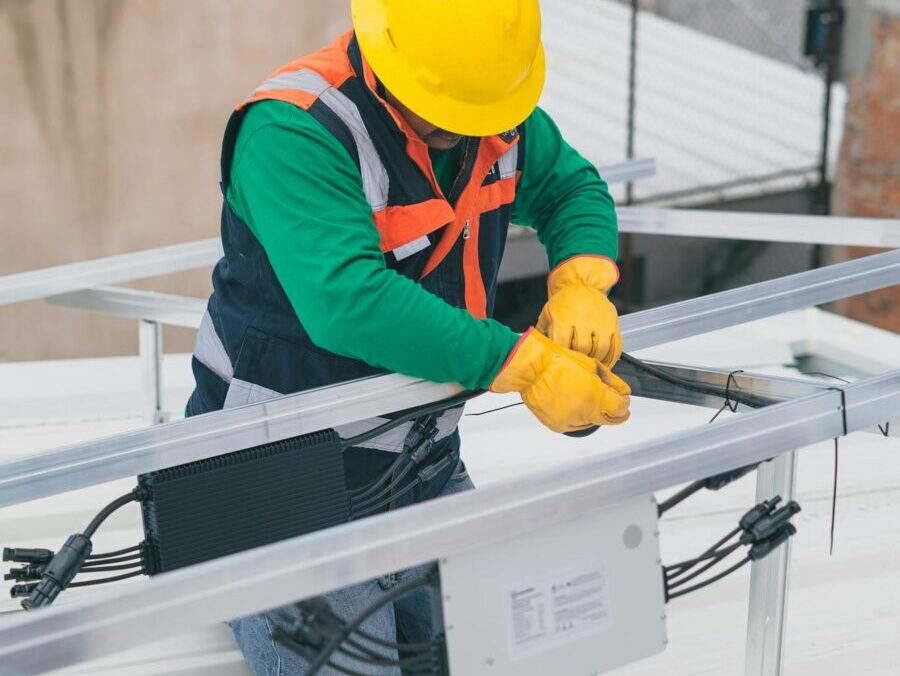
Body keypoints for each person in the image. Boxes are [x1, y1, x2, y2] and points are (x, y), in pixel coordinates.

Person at [186, 0, 631, 672]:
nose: (467, 132)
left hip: (417, 461)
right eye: (449, 113)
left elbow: (572, 189)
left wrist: (582, 281)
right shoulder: (295, 129)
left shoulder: (489, 116)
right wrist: (526, 366)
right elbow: (348, 300)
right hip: (272, 478)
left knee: (504, 651)